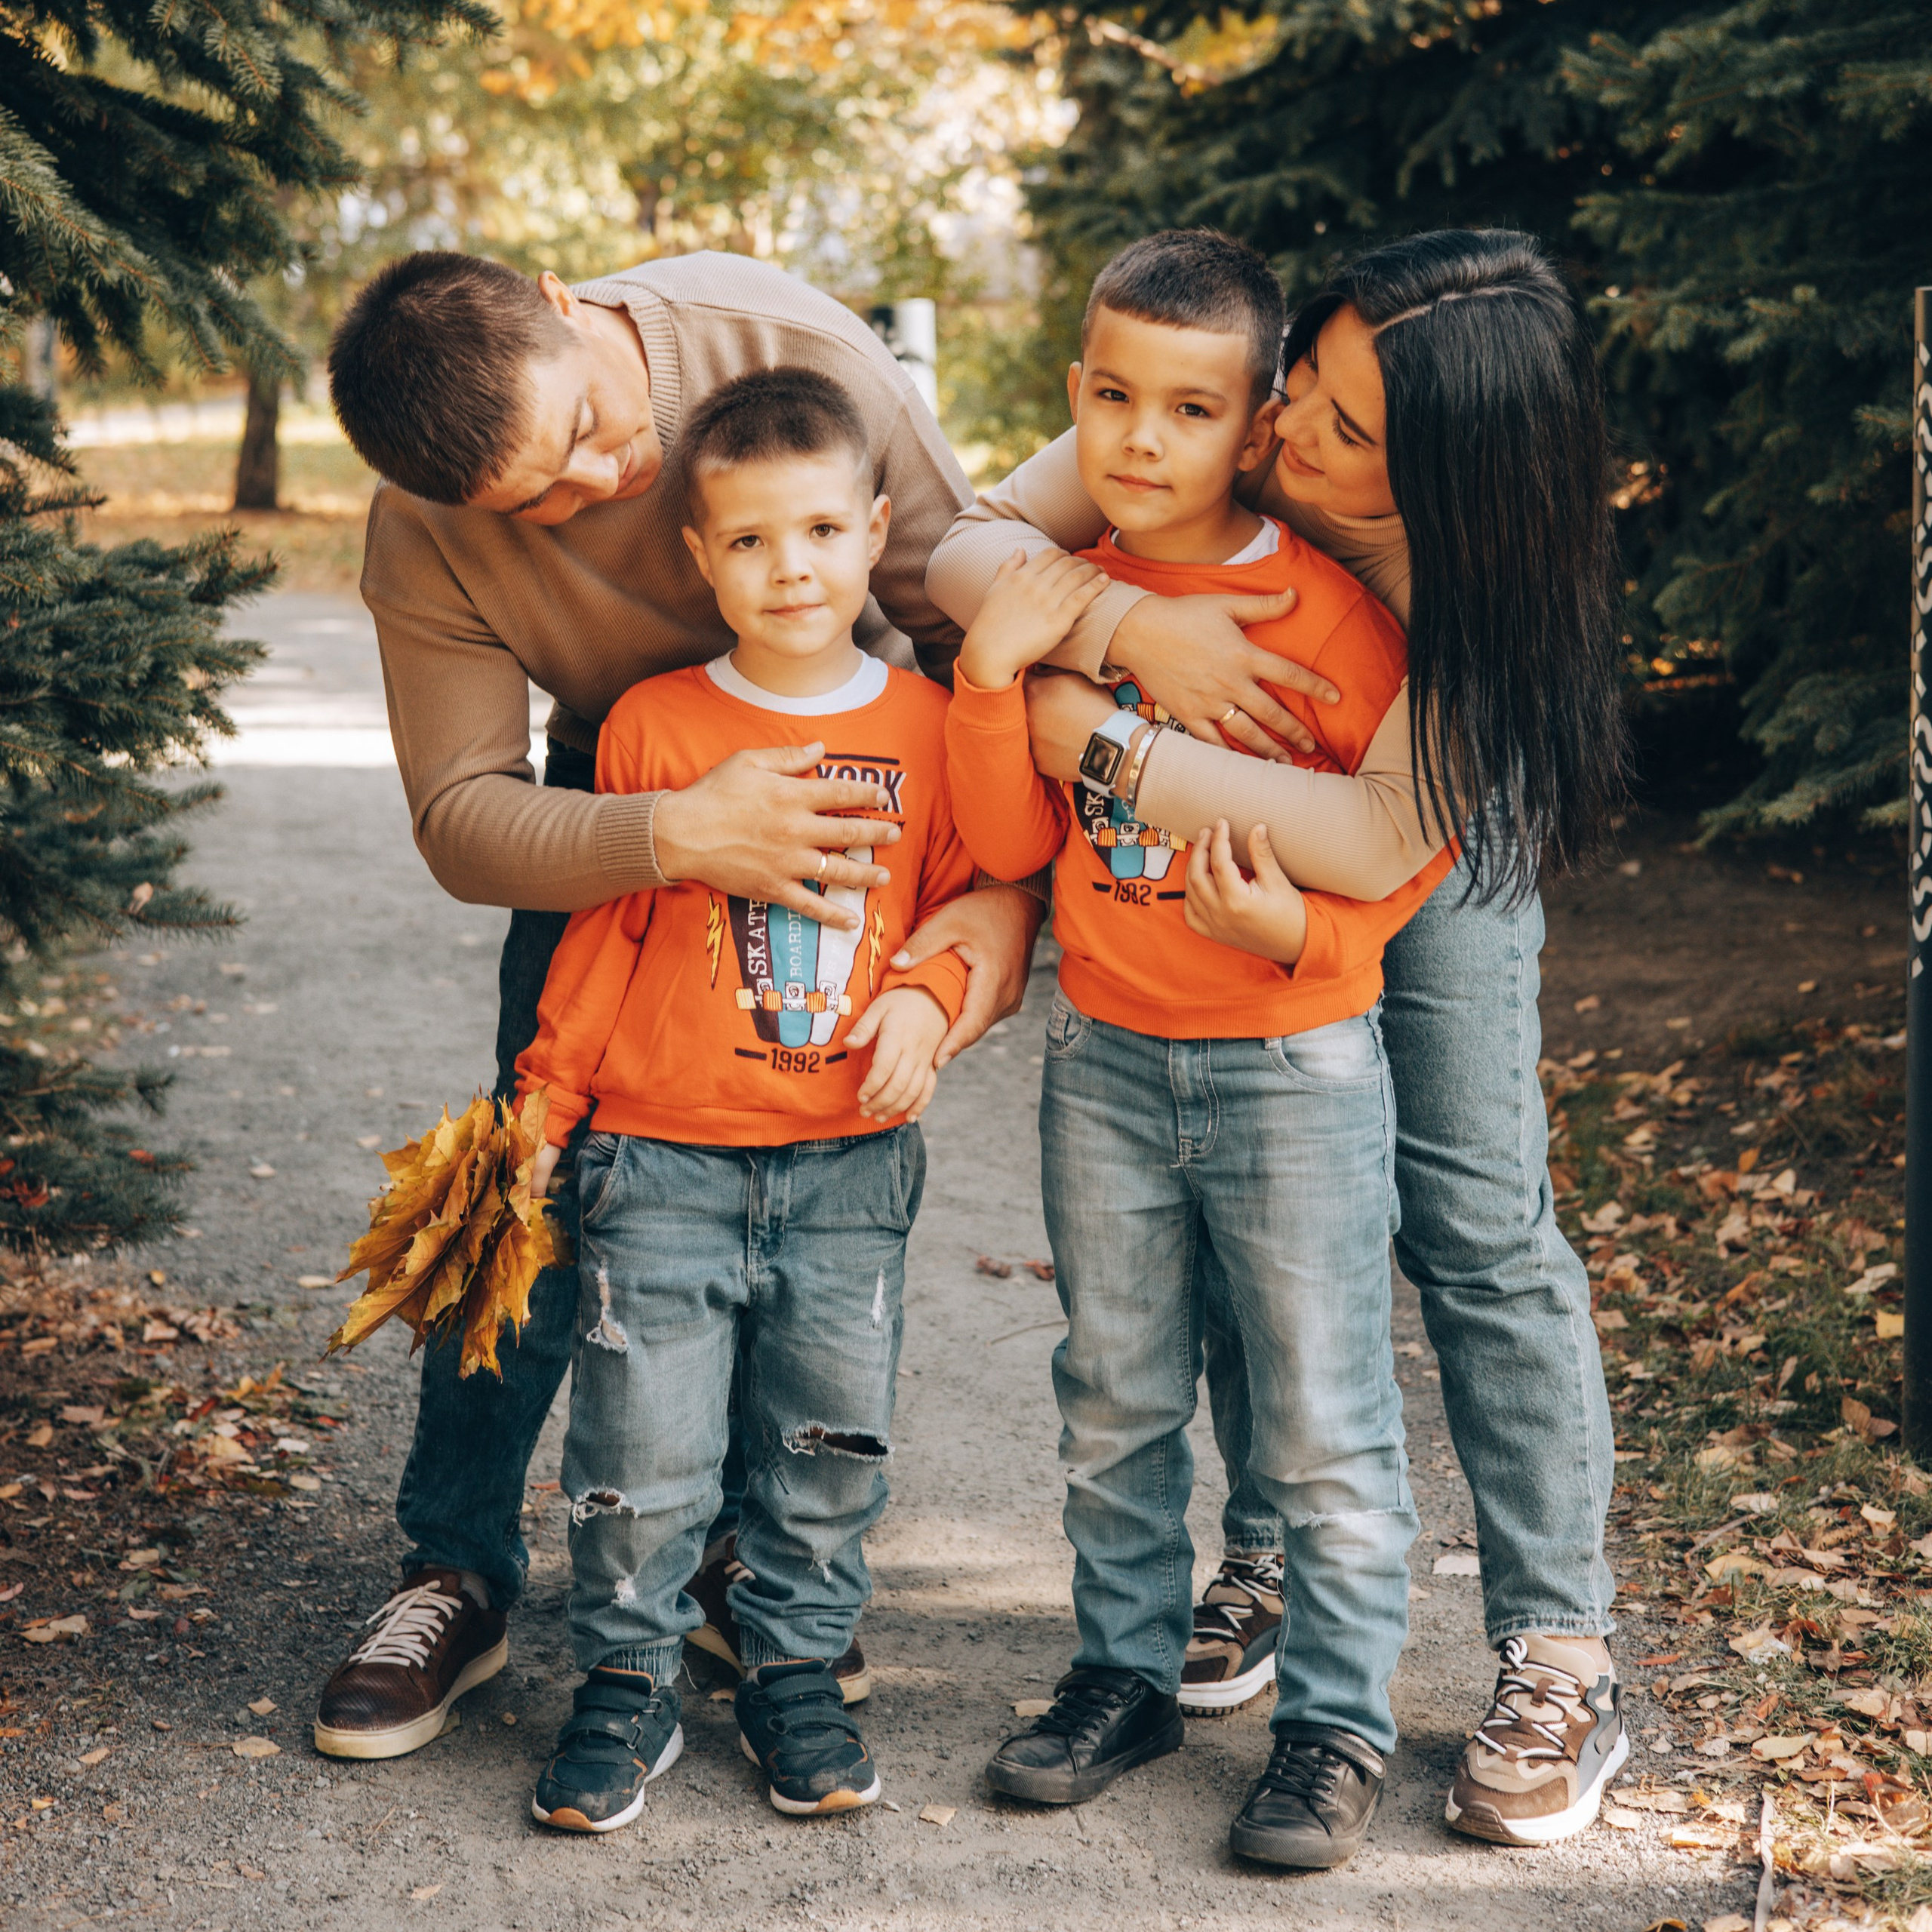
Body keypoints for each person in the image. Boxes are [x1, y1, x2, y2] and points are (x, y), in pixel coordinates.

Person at [927, 227, 1629, 1847]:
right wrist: (1118, 629)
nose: (1283, 438)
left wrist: (1074, 729)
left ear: (1448, 471)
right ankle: (1261, 1553)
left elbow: (1370, 846)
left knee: (1468, 1215)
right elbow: (964, 547)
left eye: (1338, 431)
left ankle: (1554, 1646)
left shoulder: (1474, 585)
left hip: (1418, 819)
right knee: (1237, 1172)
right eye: (1299, 384)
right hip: (1181, 781)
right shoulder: (1229, 403)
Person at [311, 249, 1044, 1762]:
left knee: (800, 1245)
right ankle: (452, 1565)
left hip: (839, 763)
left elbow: (956, 599)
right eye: (539, 495)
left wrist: (957, 924)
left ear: (562, 303)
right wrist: (673, 832)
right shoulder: (430, 528)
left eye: (585, 426)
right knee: (528, 1177)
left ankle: (740, 1566)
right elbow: (460, 816)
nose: (597, 479)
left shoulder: (786, 344)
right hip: (627, 788)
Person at [512, 368, 978, 1829]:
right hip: (659, 1160)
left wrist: (935, 1000)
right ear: (703, 556)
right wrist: (544, 1101)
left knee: (826, 1440)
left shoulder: (929, 724)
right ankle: (627, 1682)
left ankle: (795, 1666)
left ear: (875, 531)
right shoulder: (652, 727)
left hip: (849, 1163)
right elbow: (601, 933)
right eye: (754, 542)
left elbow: (973, 908)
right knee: (639, 1446)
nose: (793, 569)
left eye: (825, 532)